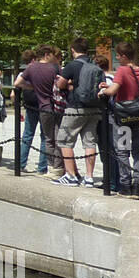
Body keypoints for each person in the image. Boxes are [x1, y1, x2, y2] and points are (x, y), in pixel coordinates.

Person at [101, 41, 139, 197]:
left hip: (123, 117)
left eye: (118, 56)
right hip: (138, 116)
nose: (117, 58)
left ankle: (125, 185)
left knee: (122, 151)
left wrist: (103, 90)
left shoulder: (122, 70)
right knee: (137, 152)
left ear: (124, 56)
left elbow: (113, 90)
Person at [53, 38, 102, 187]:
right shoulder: (94, 64)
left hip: (75, 107)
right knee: (89, 141)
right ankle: (89, 177)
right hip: (94, 107)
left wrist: (68, 84)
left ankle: (71, 176)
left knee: (65, 140)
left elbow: (60, 84)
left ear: (73, 50)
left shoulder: (72, 65)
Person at [15, 46, 59, 174]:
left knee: (27, 135)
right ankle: (42, 167)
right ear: (46, 55)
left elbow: (17, 83)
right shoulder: (54, 68)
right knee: (45, 137)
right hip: (47, 106)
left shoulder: (31, 68)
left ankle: (21, 164)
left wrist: (31, 87)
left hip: (31, 105)